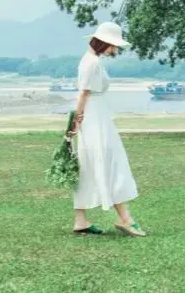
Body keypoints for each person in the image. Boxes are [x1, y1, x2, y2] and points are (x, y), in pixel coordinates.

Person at [68, 22, 146, 237]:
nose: (115, 50)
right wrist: (78, 119)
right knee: (110, 161)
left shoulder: (91, 61)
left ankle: (80, 219)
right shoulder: (91, 63)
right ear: (103, 43)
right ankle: (125, 218)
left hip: (96, 116)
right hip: (95, 118)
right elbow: (83, 92)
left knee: (91, 163)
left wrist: (78, 121)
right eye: (113, 45)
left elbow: (85, 93)